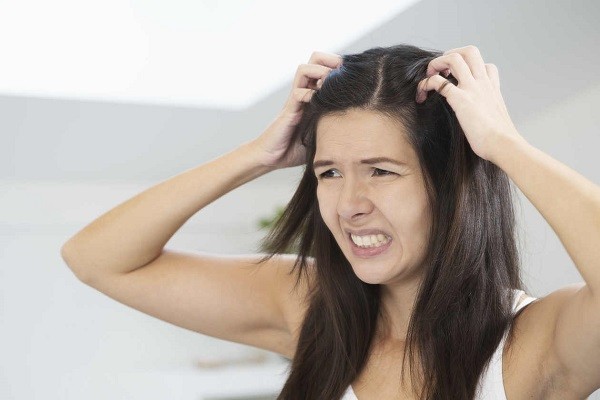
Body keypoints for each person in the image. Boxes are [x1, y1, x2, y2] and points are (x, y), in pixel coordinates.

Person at [60, 44, 600, 399]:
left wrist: (502, 146)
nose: (349, 204)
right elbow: (96, 259)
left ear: (451, 185)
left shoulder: (532, 344)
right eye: (329, 172)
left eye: (382, 171)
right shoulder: (308, 307)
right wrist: (256, 154)